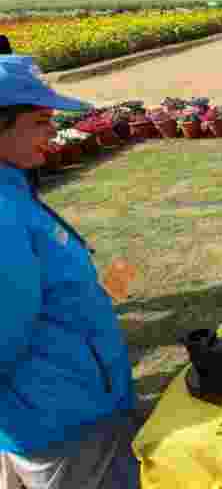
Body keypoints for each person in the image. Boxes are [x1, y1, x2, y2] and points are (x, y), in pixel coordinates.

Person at [0, 55, 141, 489]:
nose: (52, 132)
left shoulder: (12, 188)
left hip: (78, 403)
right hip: (64, 422)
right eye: (41, 120)